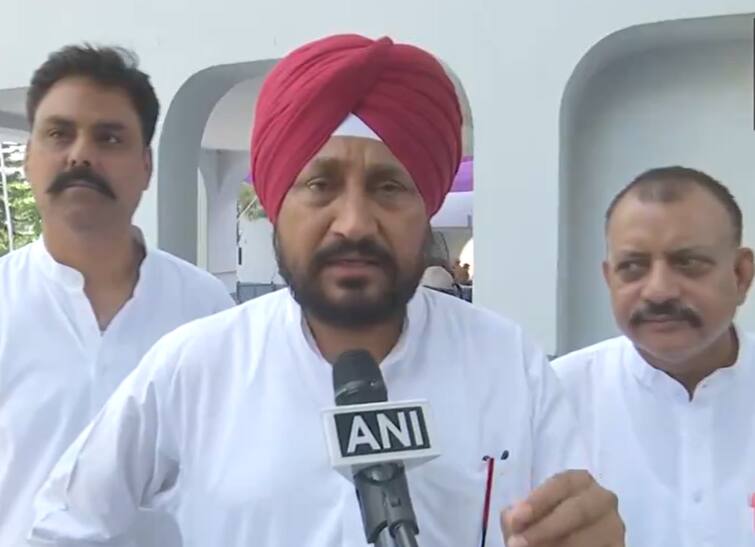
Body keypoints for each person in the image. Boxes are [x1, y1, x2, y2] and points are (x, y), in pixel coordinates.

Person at [29, 35, 624, 547]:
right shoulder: (196, 366)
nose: (355, 223)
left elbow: (570, 520)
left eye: (389, 187)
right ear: (275, 201)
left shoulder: (507, 364)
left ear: (429, 208)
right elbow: (62, 524)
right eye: (321, 184)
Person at [0, 45, 234, 547]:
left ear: (146, 166)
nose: (80, 154)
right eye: (59, 134)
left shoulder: (205, 309)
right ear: (31, 157)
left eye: (109, 137)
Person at [553, 166, 755, 546]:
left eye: (688, 263)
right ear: (609, 279)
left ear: (741, 275)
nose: (659, 291)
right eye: (633, 268)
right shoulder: (555, 398)